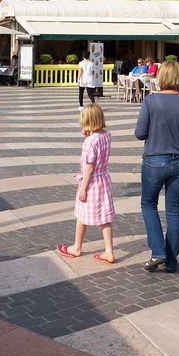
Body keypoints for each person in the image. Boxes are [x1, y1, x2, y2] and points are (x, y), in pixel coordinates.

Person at [135, 61, 179, 273]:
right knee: (174, 209)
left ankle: (158, 252)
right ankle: (172, 261)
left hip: (155, 160)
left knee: (148, 204)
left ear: (161, 77)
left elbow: (140, 133)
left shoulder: (151, 101)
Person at [56, 103, 115, 264]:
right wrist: (88, 137)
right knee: (105, 218)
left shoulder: (90, 142)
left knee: (81, 214)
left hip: (92, 182)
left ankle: (76, 247)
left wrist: (83, 188)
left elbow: (89, 167)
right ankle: (109, 251)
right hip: (103, 180)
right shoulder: (106, 135)